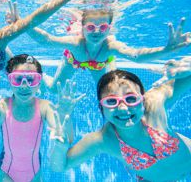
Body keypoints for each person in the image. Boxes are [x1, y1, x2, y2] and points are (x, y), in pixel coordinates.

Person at [49, 61, 191, 181]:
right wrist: (60, 149)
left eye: (131, 99)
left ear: (143, 99)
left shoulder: (154, 103)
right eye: (111, 101)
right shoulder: (104, 139)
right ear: (101, 107)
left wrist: (185, 67)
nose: (123, 108)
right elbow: (60, 166)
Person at [6, 4, 191, 91]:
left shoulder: (110, 45)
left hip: (101, 65)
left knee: (111, 89)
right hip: (74, 61)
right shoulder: (76, 44)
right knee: (54, 89)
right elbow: (46, 40)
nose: (96, 32)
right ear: (83, 28)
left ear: (109, 29)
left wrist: (166, 50)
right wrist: (22, 24)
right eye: (90, 27)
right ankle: (44, 76)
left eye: (102, 27)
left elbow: (135, 55)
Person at [0, 54, 85, 181]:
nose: (24, 86)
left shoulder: (45, 107)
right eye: (17, 79)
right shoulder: (2, 106)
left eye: (31, 79)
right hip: (6, 173)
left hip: (35, 174)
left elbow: (67, 137)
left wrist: (64, 114)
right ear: (9, 80)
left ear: (39, 83)